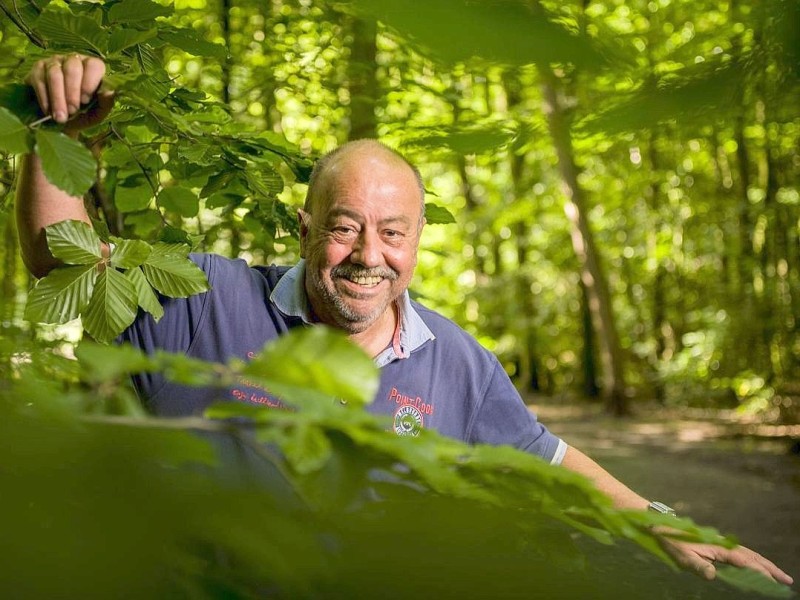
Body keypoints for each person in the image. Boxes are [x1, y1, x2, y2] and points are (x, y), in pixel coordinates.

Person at [15, 54, 794, 587]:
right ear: (304, 228)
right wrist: (62, 132)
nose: (367, 255)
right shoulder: (202, 297)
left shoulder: (458, 361)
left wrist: (658, 521)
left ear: (418, 239)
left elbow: (548, 460)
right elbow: (62, 258)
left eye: (394, 231)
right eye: (345, 225)